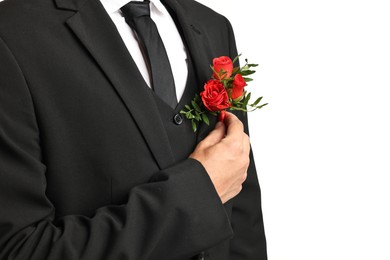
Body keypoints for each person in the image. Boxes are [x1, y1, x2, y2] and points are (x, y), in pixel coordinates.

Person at [0, 0, 267, 259]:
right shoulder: (11, 33)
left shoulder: (212, 25)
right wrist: (198, 196)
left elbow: (243, 210)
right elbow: (20, 248)